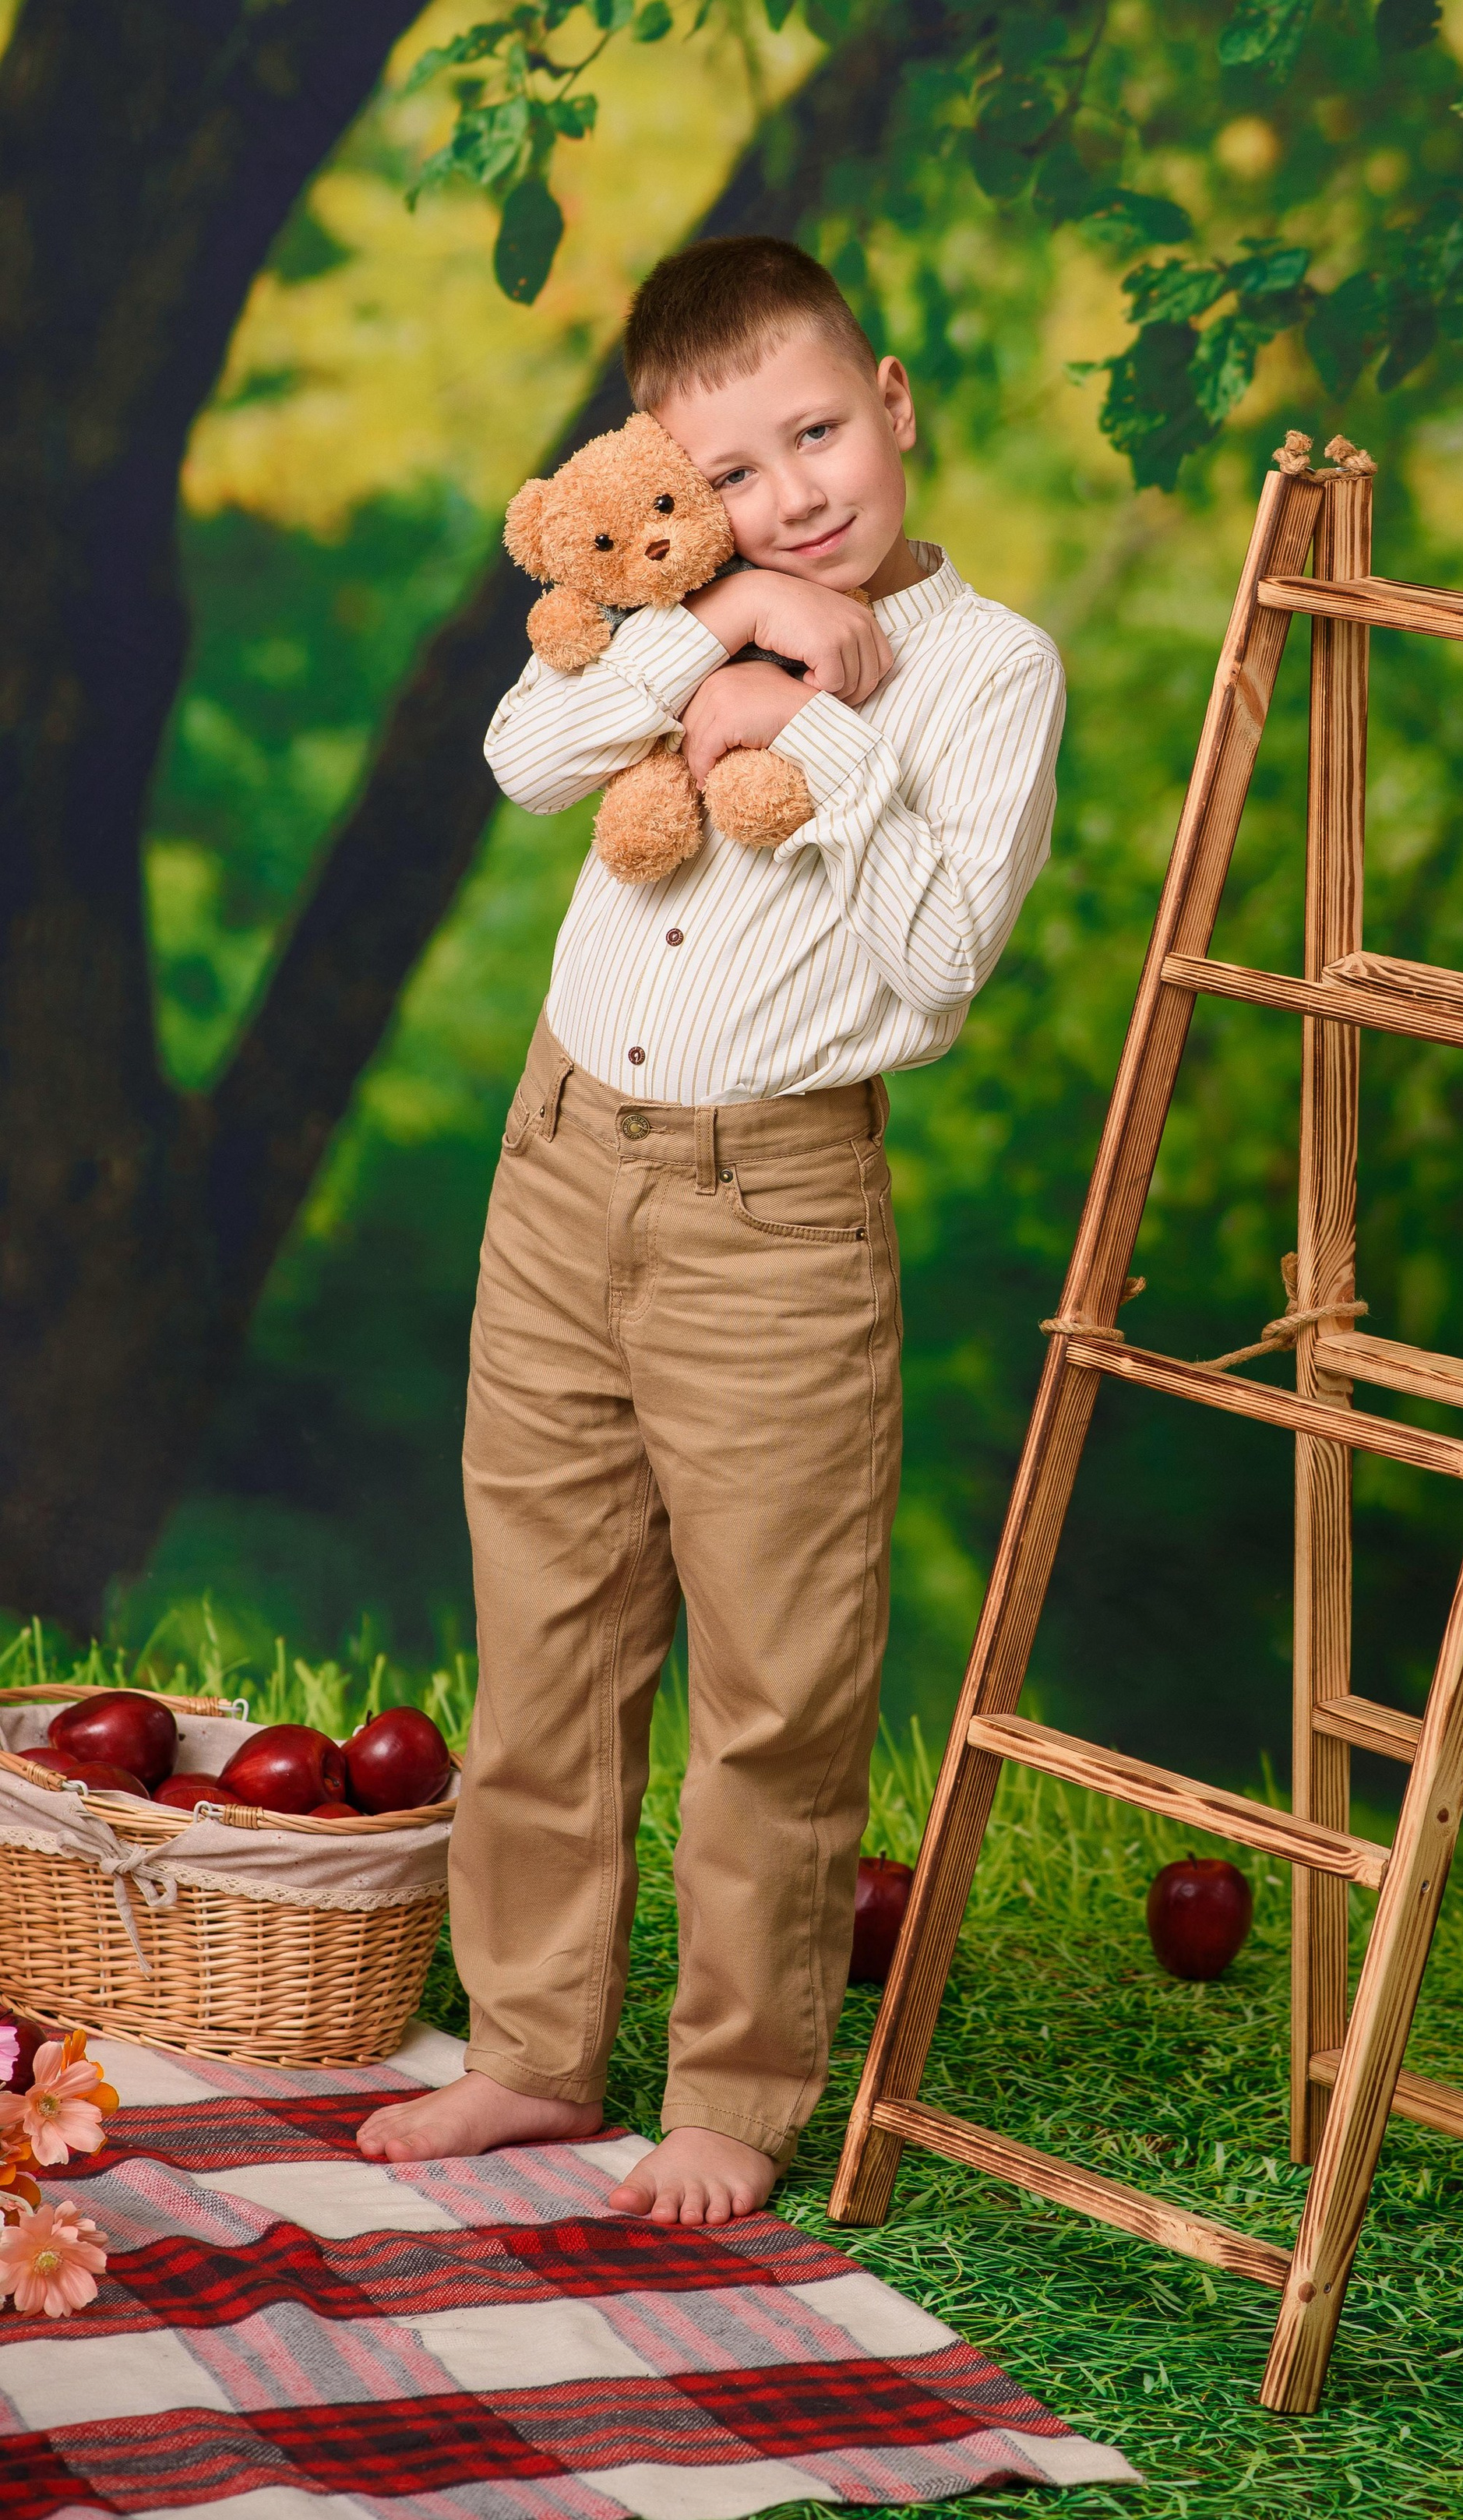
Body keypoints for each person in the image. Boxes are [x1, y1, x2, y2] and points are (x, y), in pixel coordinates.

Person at [356, 235, 1065, 2224]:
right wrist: (721, 629)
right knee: (547, 1635)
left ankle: (734, 2092)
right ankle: (528, 2052)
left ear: (892, 400)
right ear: (673, 479)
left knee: (772, 1673)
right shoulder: (661, 602)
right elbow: (523, 759)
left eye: (818, 434)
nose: (794, 495)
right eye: (733, 472)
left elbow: (938, 965)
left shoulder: (991, 667)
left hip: (772, 1211)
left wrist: (808, 717)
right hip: (561, 1155)